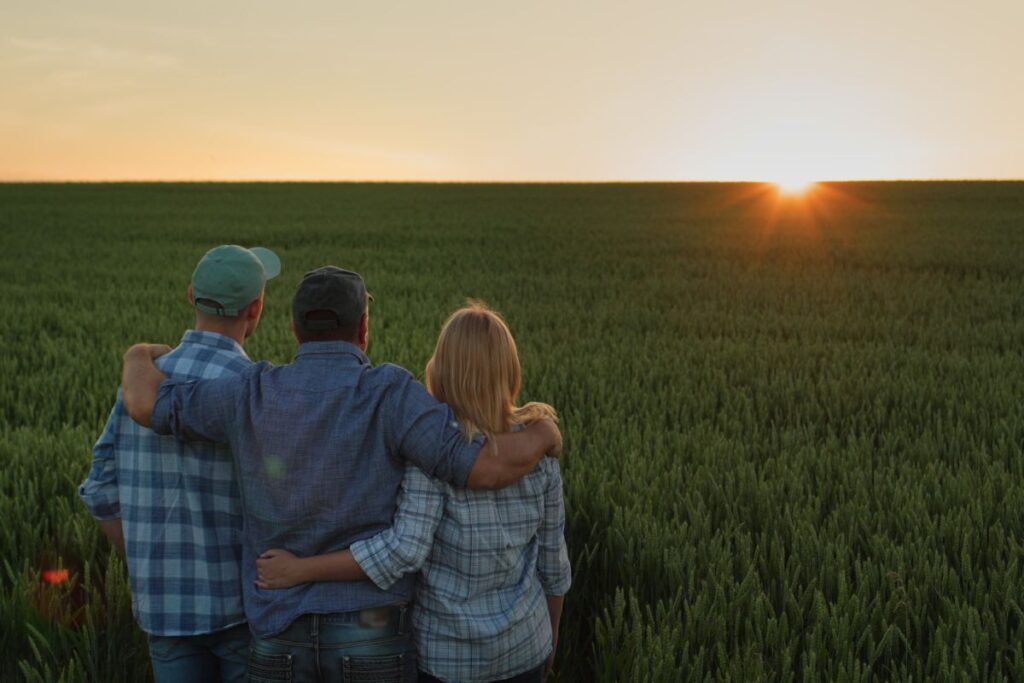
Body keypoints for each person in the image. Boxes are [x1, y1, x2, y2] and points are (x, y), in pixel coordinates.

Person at [118, 267, 562, 683]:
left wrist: (137, 354)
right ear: (363, 328)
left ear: (294, 329)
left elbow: (145, 405)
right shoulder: (391, 393)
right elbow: (482, 467)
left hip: (279, 628)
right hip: (373, 632)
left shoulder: (250, 392)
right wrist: (543, 433)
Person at [254, 302, 571, 683]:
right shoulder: (539, 450)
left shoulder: (431, 451)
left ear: (444, 366)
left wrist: (301, 569)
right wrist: (551, 638)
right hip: (525, 648)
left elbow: (406, 549)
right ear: (510, 368)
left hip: (447, 657)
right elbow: (553, 564)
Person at [78, 244, 281, 683]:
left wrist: (144, 557)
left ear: (191, 295)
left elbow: (99, 488)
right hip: (243, 606)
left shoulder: (139, 385)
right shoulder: (258, 389)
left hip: (163, 606)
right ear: (256, 308)